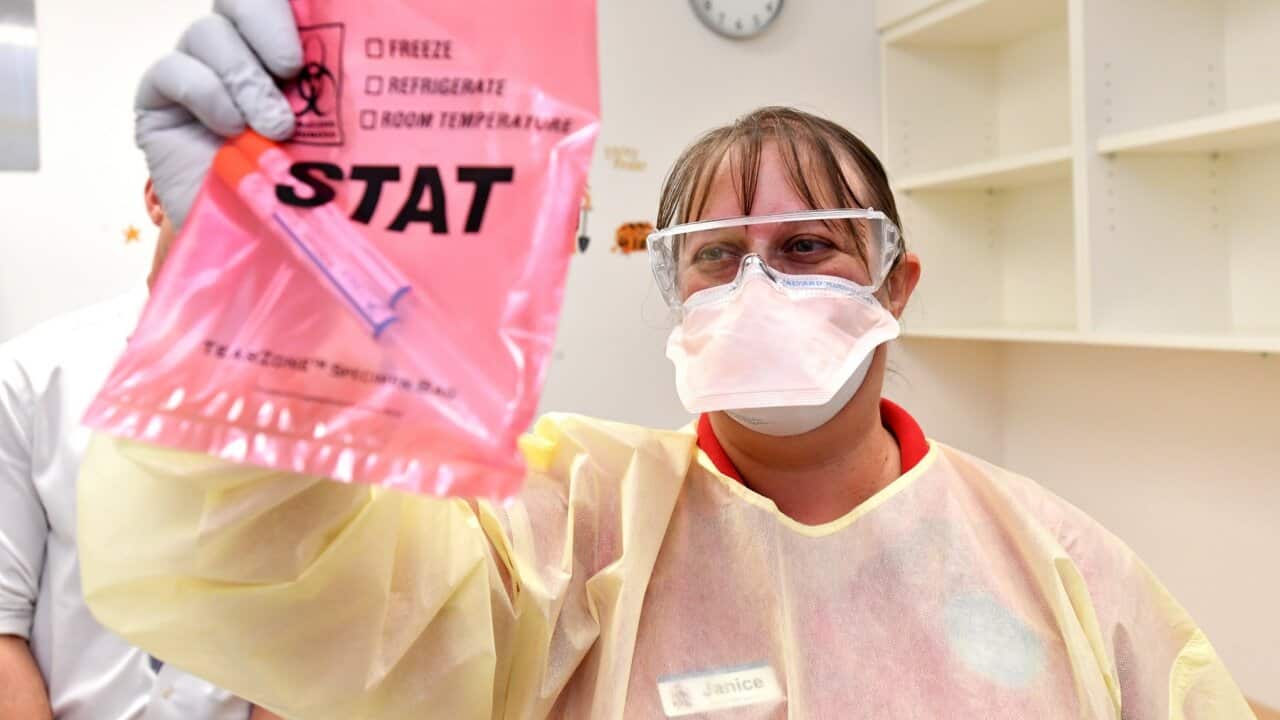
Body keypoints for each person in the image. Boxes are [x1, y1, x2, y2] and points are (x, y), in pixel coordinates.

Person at [75, 2, 1255, 718]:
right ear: (671, 294)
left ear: (895, 285)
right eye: (714, 258)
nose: (758, 288)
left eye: (805, 248)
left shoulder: (1050, 559)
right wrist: (247, 282)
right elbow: (273, 576)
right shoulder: (565, 520)